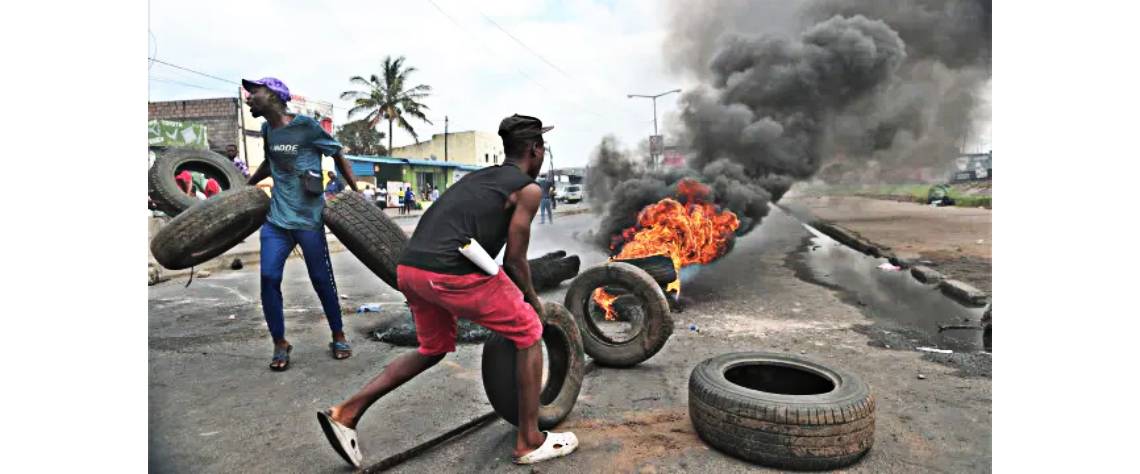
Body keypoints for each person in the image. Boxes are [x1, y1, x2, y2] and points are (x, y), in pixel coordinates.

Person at [319, 114, 577, 468]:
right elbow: (515, 261)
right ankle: (530, 440)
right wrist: (533, 301)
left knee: (434, 347)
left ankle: (346, 413)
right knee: (530, 331)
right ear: (535, 150)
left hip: (410, 269)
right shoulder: (527, 189)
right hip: (449, 271)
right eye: (542, 148)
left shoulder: (478, 179)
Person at [243, 76, 359, 371]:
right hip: (277, 221)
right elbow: (270, 163)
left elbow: (336, 152)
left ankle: (338, 334)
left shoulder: (306, 126)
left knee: (321, 279)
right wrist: (246, 186)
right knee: (269, 278)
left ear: (273, 94)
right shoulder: (267, 129)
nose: (248, 97)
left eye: (254, 92)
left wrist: (356, 193)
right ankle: (280, 342)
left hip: (308, 219)